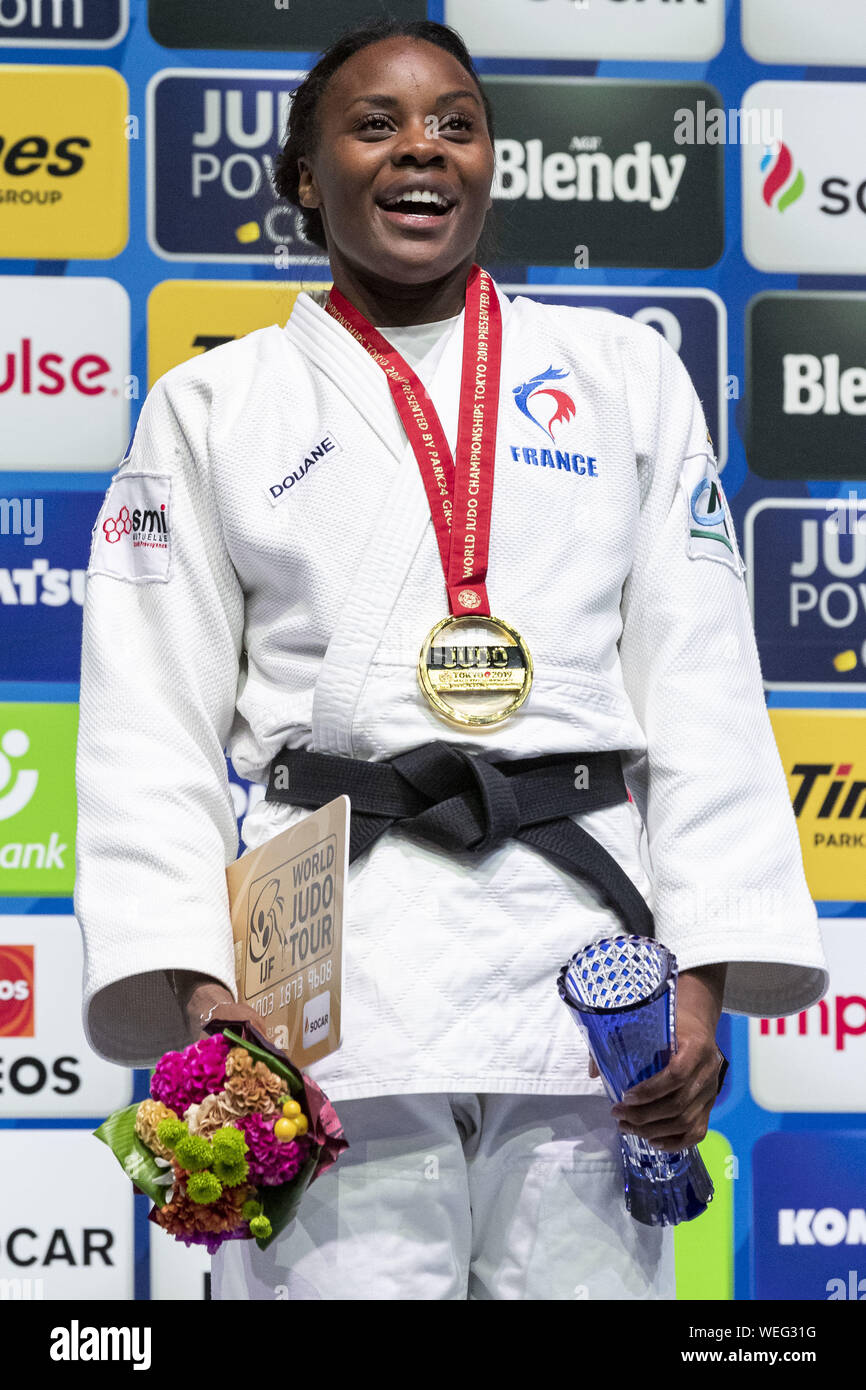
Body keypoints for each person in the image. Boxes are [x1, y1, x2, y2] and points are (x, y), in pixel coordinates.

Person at [74, 18, 828, 1301]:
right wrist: (207, 1004)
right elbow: (144, 722)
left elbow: (701, 691)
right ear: (307, 178)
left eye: (455, 123)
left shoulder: (622, 376)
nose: (421, 147)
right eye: (375, 124)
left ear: (487, 161)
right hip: (324, 1000)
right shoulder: (212, 406)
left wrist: (694, 991)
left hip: (587, 992)